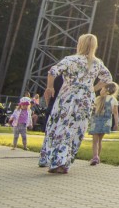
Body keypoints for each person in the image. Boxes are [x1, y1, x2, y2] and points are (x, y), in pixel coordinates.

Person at [38, 34, 113, 175]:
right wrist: (92, 88)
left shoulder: (71, 60)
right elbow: (108, 79)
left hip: (67, 97)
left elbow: (52, 71)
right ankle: (64, 162)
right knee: (76, 130)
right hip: (85, 99)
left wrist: (50, 87)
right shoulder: (97, 63)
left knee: (60, 126)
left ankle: (57, 161)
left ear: (80, 44)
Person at [88, 81, 119, 166]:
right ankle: (98, 156)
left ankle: (95, 157)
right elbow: (115, 113)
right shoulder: (114, 100)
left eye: (102, 88)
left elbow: (92, 110)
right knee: (100, 141)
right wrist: (116, 124)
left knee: (95, 141)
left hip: (96, 121)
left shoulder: (98, 98)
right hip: (106, 122)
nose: (100, 90)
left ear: (105, 89)